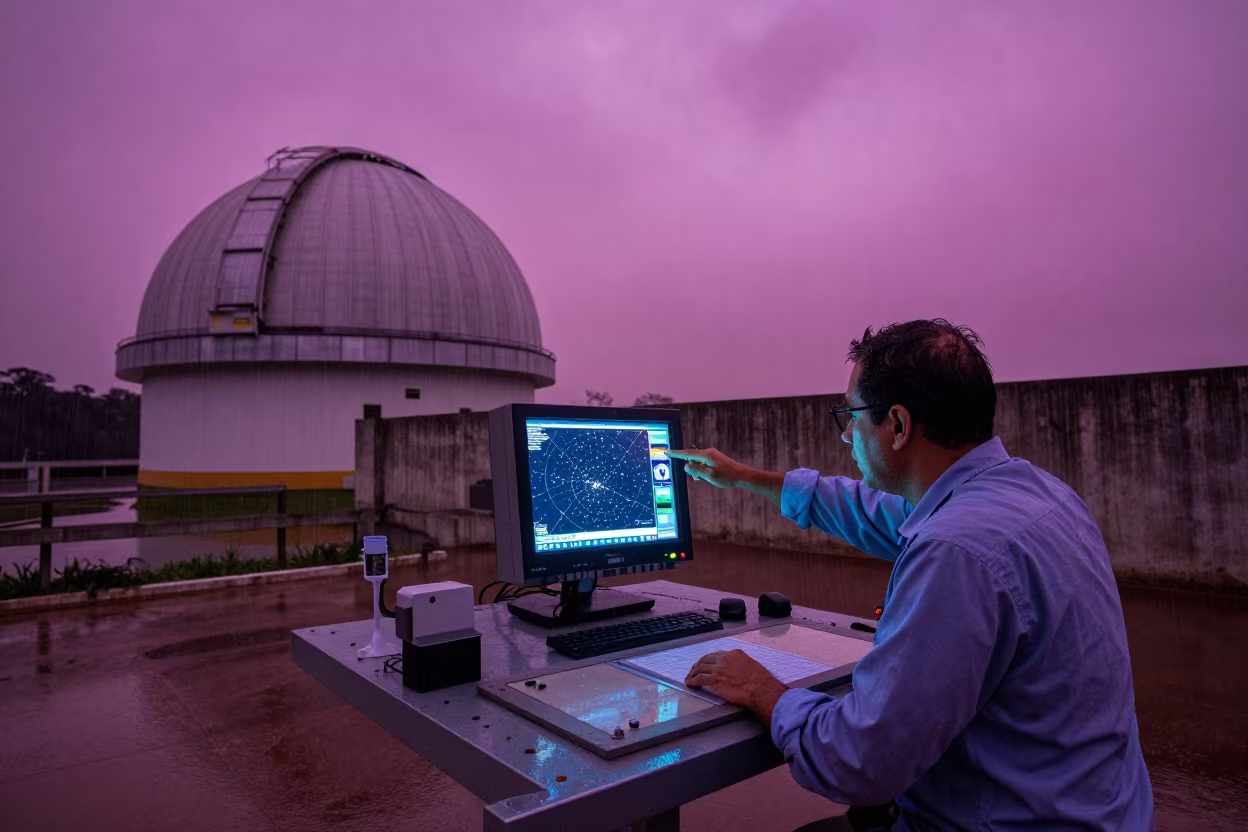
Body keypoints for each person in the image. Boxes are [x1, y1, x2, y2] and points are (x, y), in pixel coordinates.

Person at [667, 319, 1153, 832]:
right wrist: (742, 477)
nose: (845, 434)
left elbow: (858, 764)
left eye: (851, 416)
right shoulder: (1039, 495)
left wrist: (764, 690)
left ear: (897, 426)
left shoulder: (956, 550)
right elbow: (870, 511)